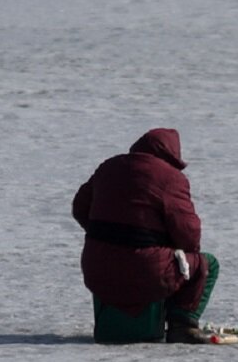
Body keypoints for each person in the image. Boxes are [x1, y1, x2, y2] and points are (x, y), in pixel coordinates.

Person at [72, 128, 219, 343]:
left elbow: (79, 208)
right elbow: (189, 234)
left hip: (97, 269)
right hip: (145, 270)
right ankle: (181, 325)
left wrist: (107, 237)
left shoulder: (109, 167)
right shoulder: (171, 178)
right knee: (206, 265)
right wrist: (167, 247)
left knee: (132, 264)